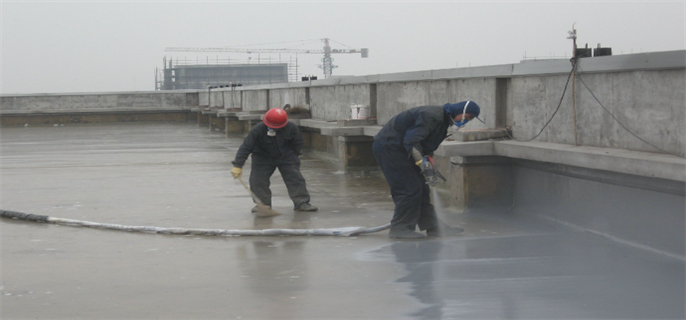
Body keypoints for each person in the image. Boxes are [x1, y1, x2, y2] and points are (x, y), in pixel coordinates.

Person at [373, 101, 482, 239]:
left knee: (422, 188)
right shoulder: (432, 115)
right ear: (461, 110)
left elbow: (427, 143)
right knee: (409, 189)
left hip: (403, 149)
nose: (466, 121)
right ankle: (400, 228)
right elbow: (411, 140)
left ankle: (433, 226)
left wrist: (429, 159)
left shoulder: (442, 121)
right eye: (468, 117)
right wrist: (421, 161)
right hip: (390, 148)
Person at [230, 108, 318, 214]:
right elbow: (246, 147)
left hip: (286, 156)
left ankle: (302, 203)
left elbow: (298, 143)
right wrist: (238, 165)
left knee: (295, 179)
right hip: (262, 157)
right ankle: (263, 205)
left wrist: (293, 156)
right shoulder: (258, 130)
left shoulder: (291, 128)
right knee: (258, 181)